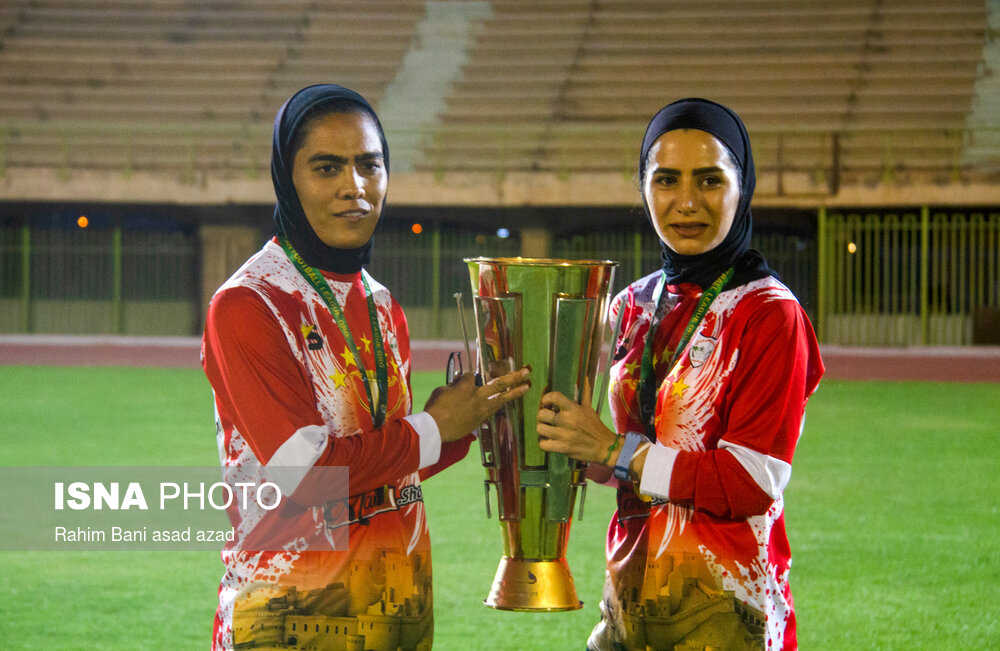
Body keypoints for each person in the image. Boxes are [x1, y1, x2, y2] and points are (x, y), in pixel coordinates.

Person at [201, 84, 530, 651]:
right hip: (288, 618)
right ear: (288, 177)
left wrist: (474, 418)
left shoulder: (380, 305)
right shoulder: (250, 304)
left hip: (396, 608)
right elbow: (308, 476)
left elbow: (384, 467)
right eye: (327, 168)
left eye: (368, 166)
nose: (353, 188)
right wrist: (432, 429)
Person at [536, 98, 824, 651]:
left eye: (710, 180)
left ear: (743, 189)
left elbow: (752, 483)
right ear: (644, 189)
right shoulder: (633, 304)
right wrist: (563, 441)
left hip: (726, 609)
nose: (686, 202)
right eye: (666, 180)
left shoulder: (769, 314)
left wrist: (615, 450)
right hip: (629, 598)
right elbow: (620, 461)